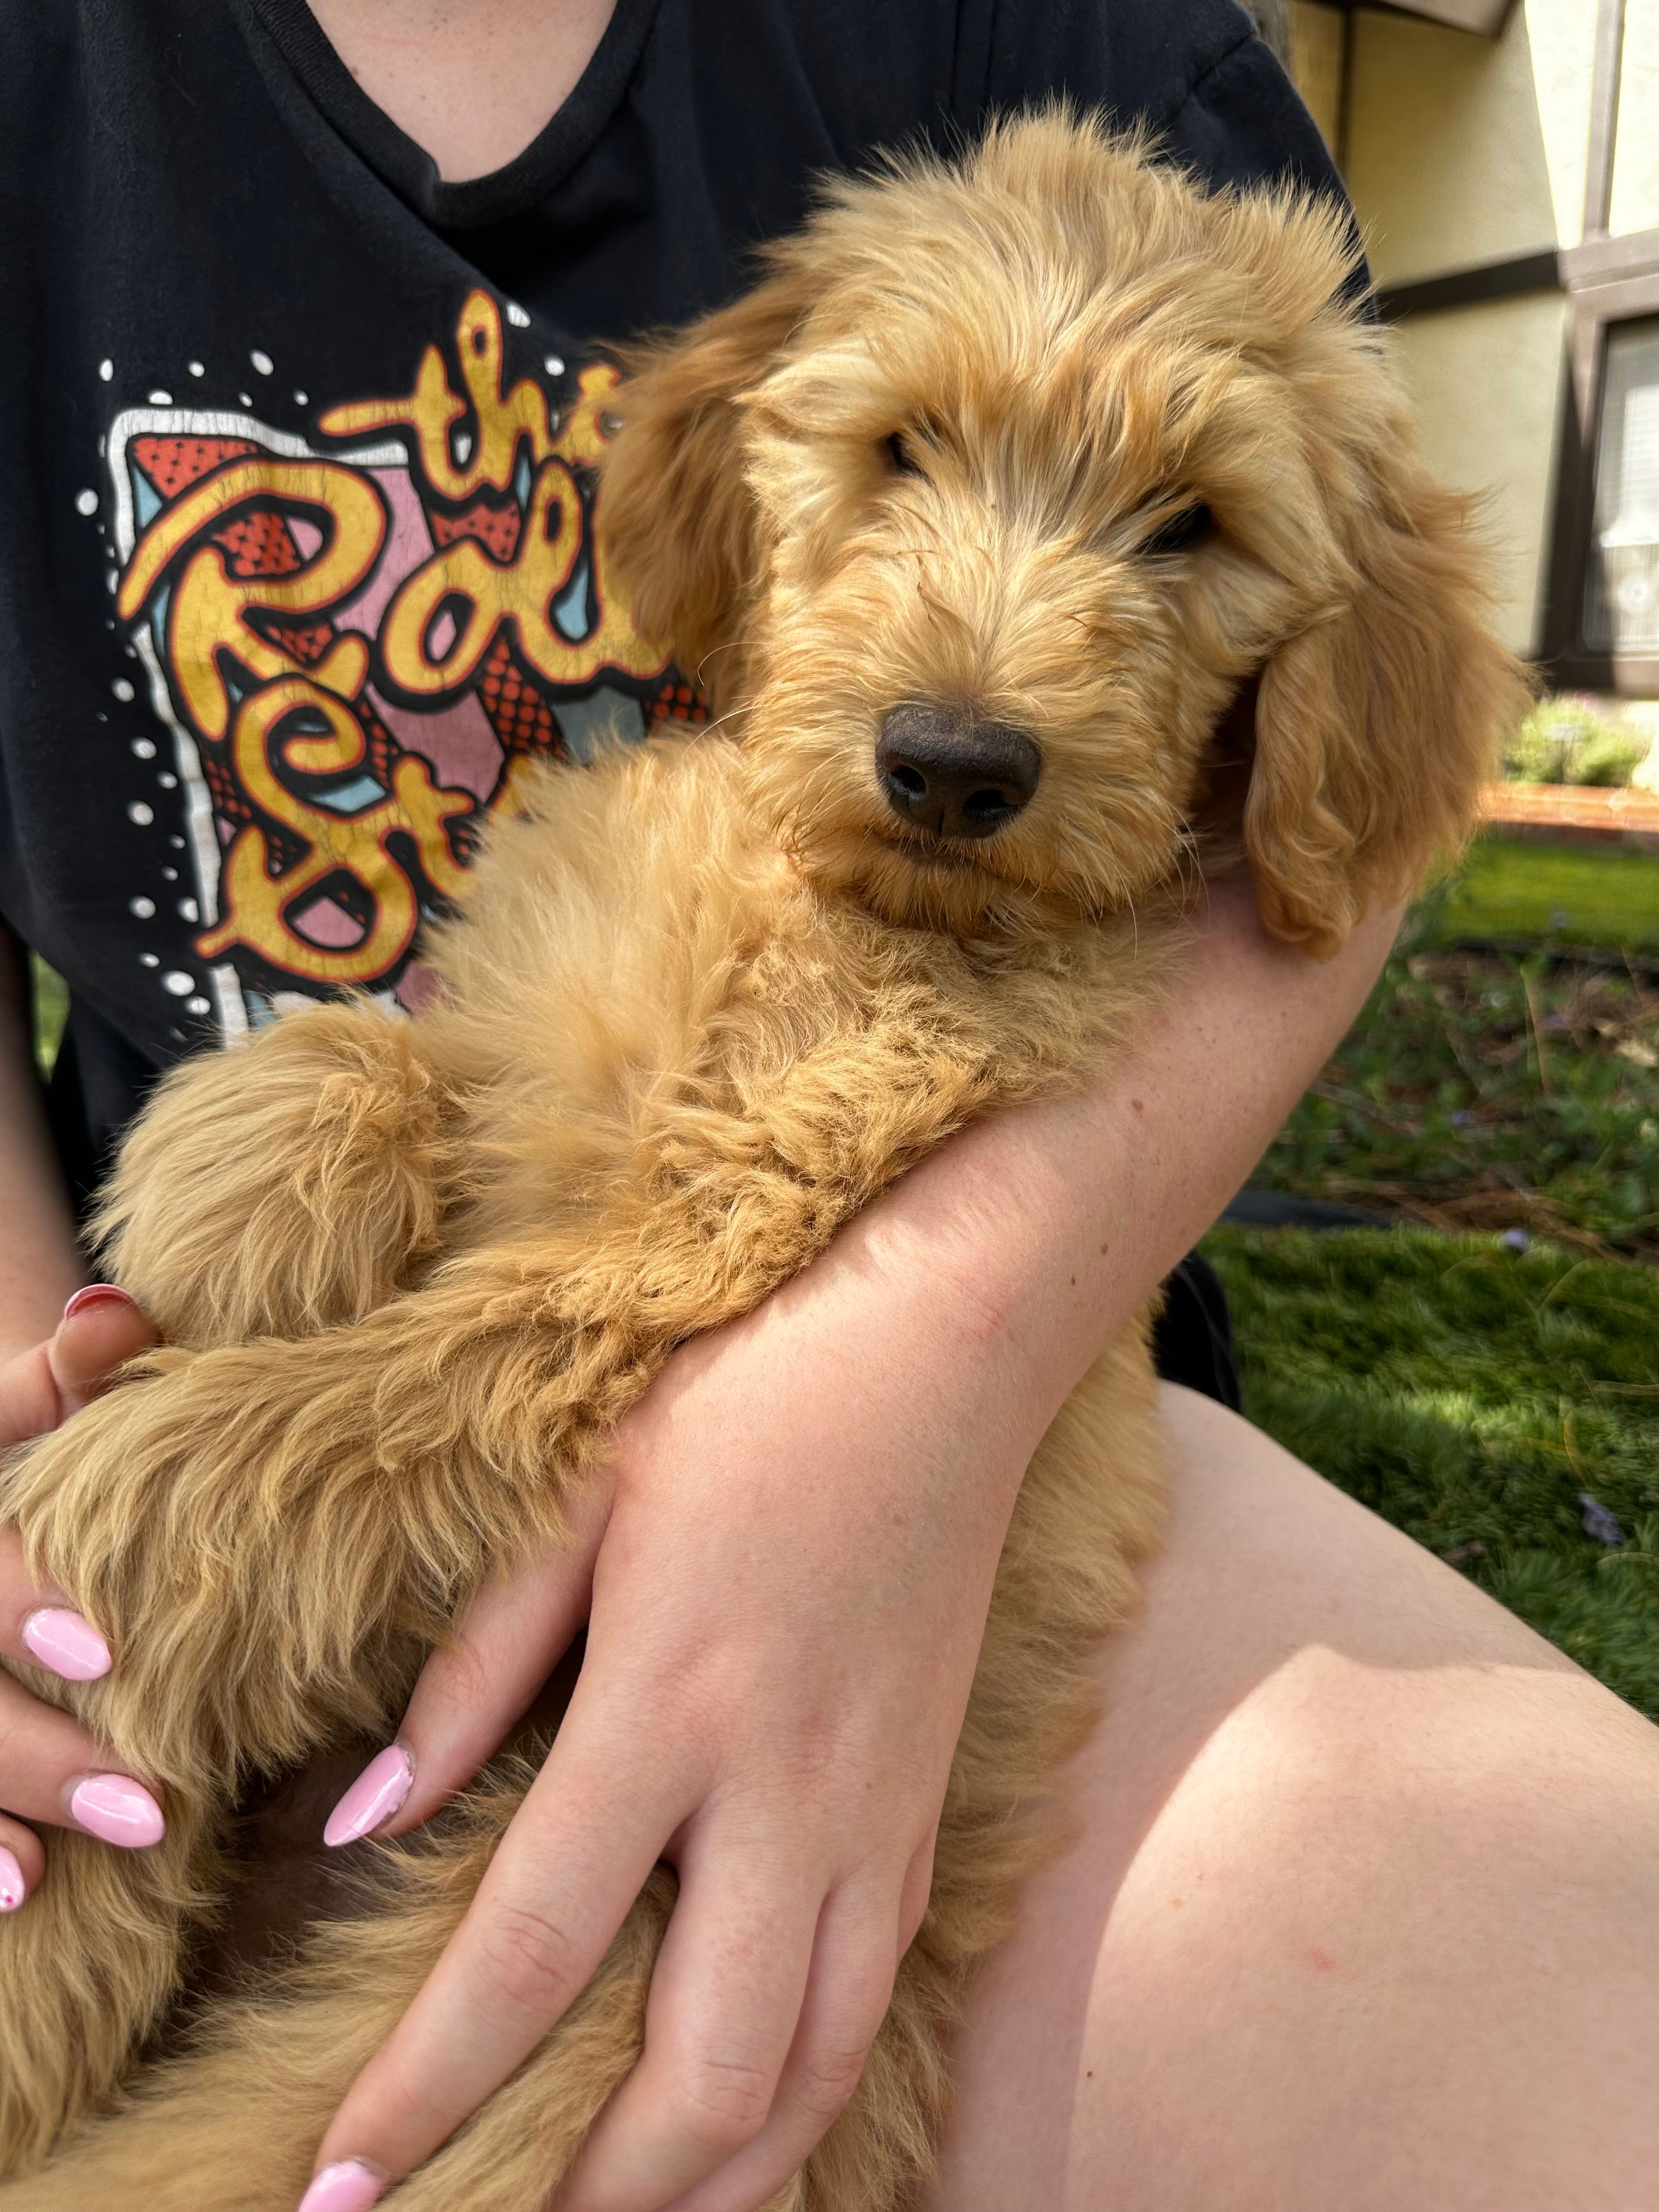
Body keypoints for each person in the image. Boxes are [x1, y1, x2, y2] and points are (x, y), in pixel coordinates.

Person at [1, 5, 1656, 2209]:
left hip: (970, 1398)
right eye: (905, 457)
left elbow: (1317, 866)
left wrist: (909, 1384)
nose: (985, 674)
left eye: (1178, 534)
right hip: (160, 1337)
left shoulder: (1044, 27)